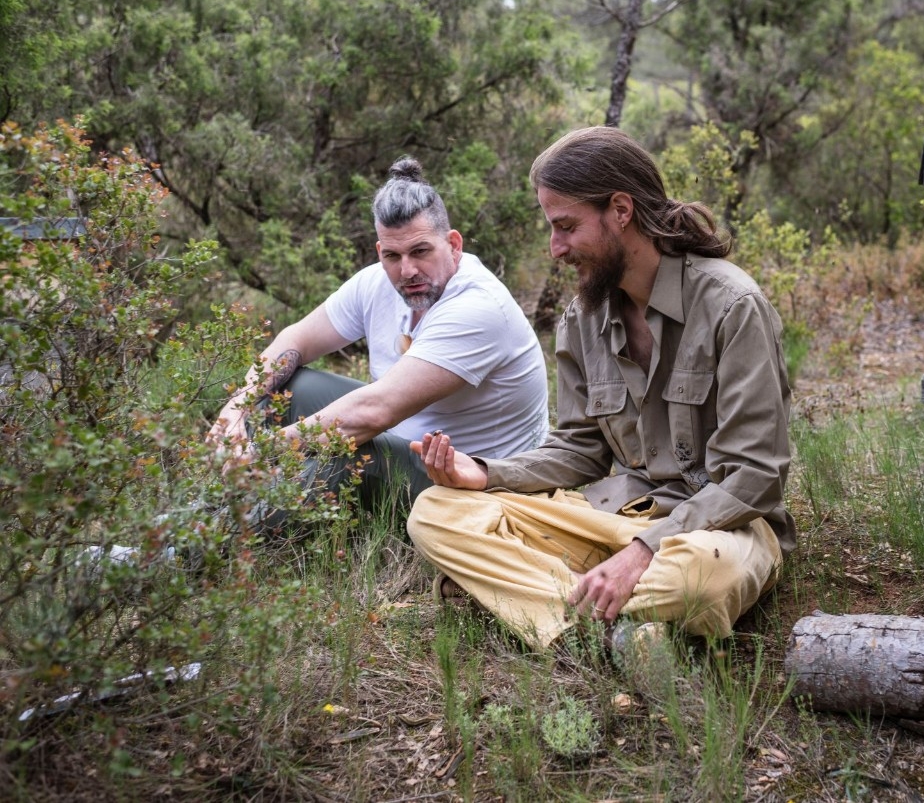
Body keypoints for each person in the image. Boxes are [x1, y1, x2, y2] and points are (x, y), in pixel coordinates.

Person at [405, 126, 794, 650]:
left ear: (620, 210)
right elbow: (581, 449)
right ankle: (604, 631)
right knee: (437, 512)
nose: (555, 248)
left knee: (705, 576)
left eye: (566, 226)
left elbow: (756, 475)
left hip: (719, 530)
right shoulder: (582, 319)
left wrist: (644, 552)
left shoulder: (732, 306)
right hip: (612, 517)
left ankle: (532, 603)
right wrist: (486, 473)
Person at [207, 157, 550, 518]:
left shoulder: (478, 307)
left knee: (342, 451)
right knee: (282, 387)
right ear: (379, 251)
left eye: (420, 251)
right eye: (392, 255)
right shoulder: (376, 282)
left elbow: (374, 412)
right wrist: (234, 412)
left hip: (471, 484)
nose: (407, 271)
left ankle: (190, 551)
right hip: (404, 441)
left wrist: (262, 451)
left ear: (453, 244)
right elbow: (295, 340)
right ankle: (204, 512)